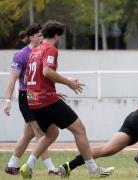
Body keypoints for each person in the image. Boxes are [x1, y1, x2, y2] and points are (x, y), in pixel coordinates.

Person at [19, 20, 109, 179]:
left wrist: (49, 90)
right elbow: (46, 72)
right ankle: (93, 169)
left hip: (33, 101)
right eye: (60, 37)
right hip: (46, 101)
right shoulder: (50, 49)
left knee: (51, 134)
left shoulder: (34, 51)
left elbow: (27, 80)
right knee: (79, 129)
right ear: (55, 35)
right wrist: (68, 83)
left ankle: (28, 166)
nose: (60, 39)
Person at [3, 23, 58, 176]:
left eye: (43, 35)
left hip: (38, 97)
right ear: (31, 37)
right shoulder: (21, 54)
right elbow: (13, 79)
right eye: (39, 35)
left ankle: (11, 165)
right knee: (41, 132)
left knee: (29, 134)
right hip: (26, 97)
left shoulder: (42, 52)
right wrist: (7, 101)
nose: (42, 38)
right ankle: (51, 169)